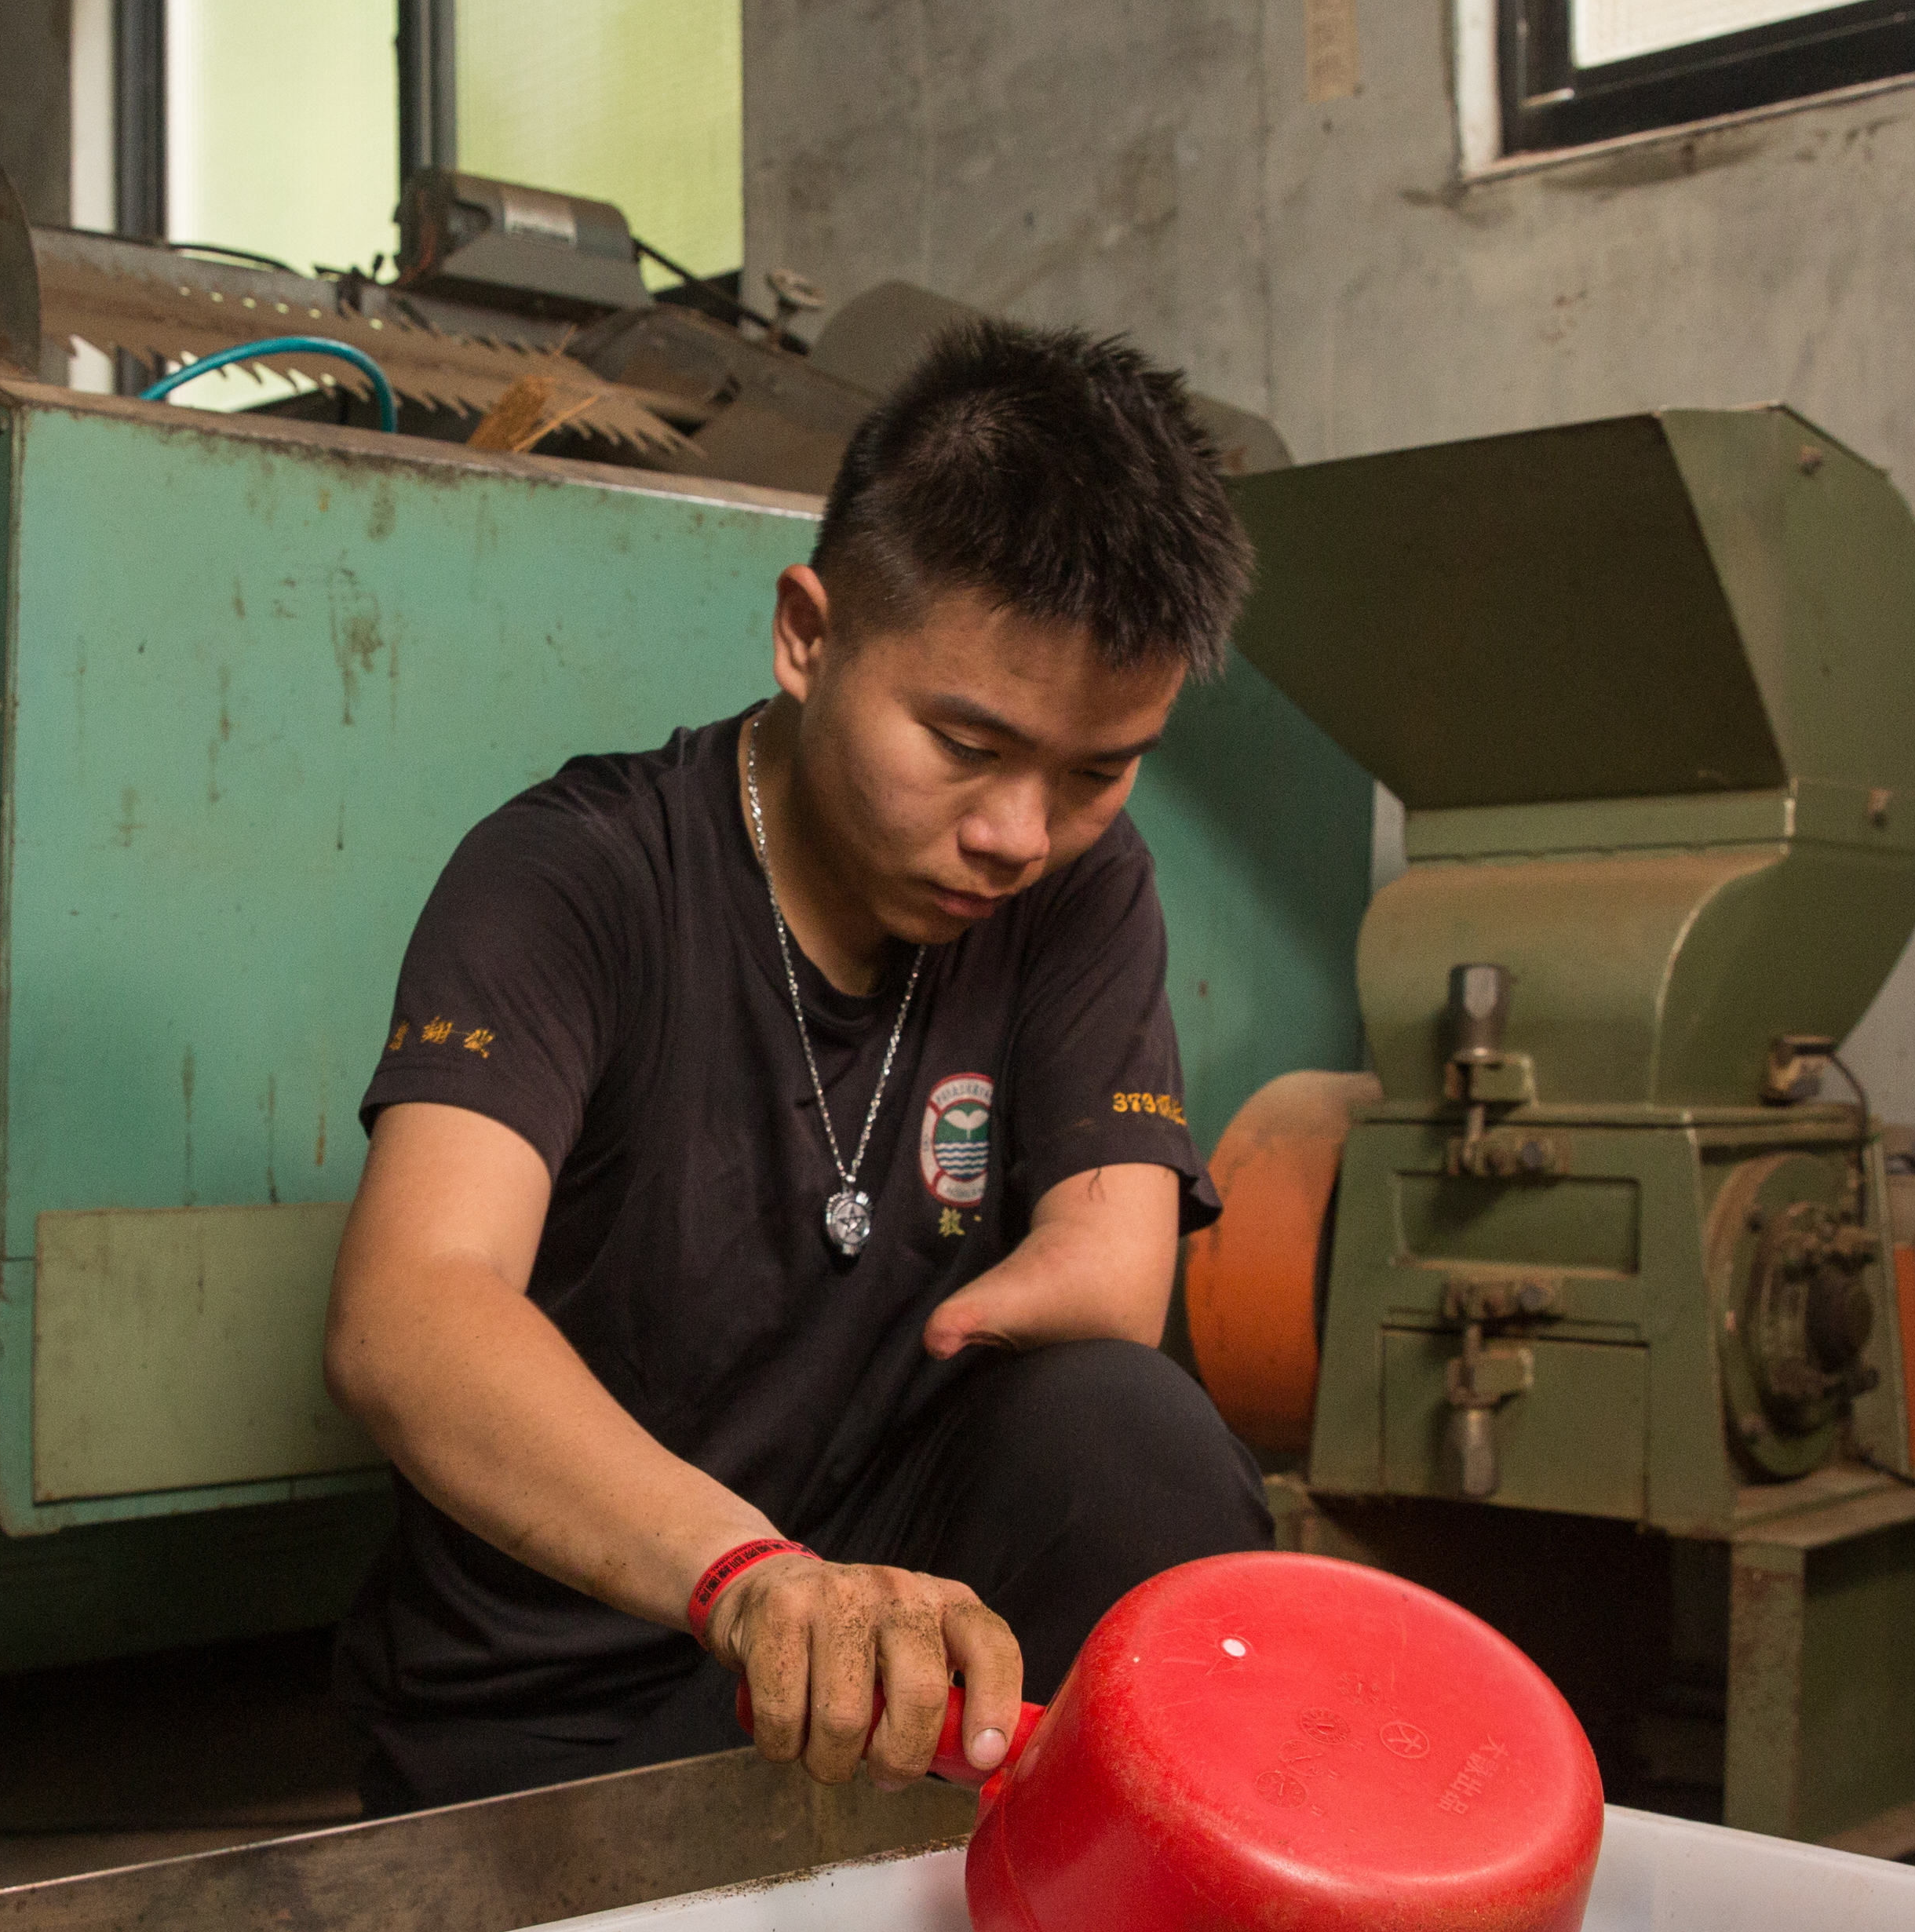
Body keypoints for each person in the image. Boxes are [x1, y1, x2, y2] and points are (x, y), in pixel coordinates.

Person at [323, 319, 1278, 1814]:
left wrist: (952, 1354)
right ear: (809, 635)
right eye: (966, 743)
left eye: (1095, 771)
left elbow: (1115, 1275)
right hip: (571, 1700)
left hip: (890, 1665)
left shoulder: (1076, 889)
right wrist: (760, 1579)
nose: (1020, 835)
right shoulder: (575, 881)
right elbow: (411, 1315)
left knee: (1130, 1433)